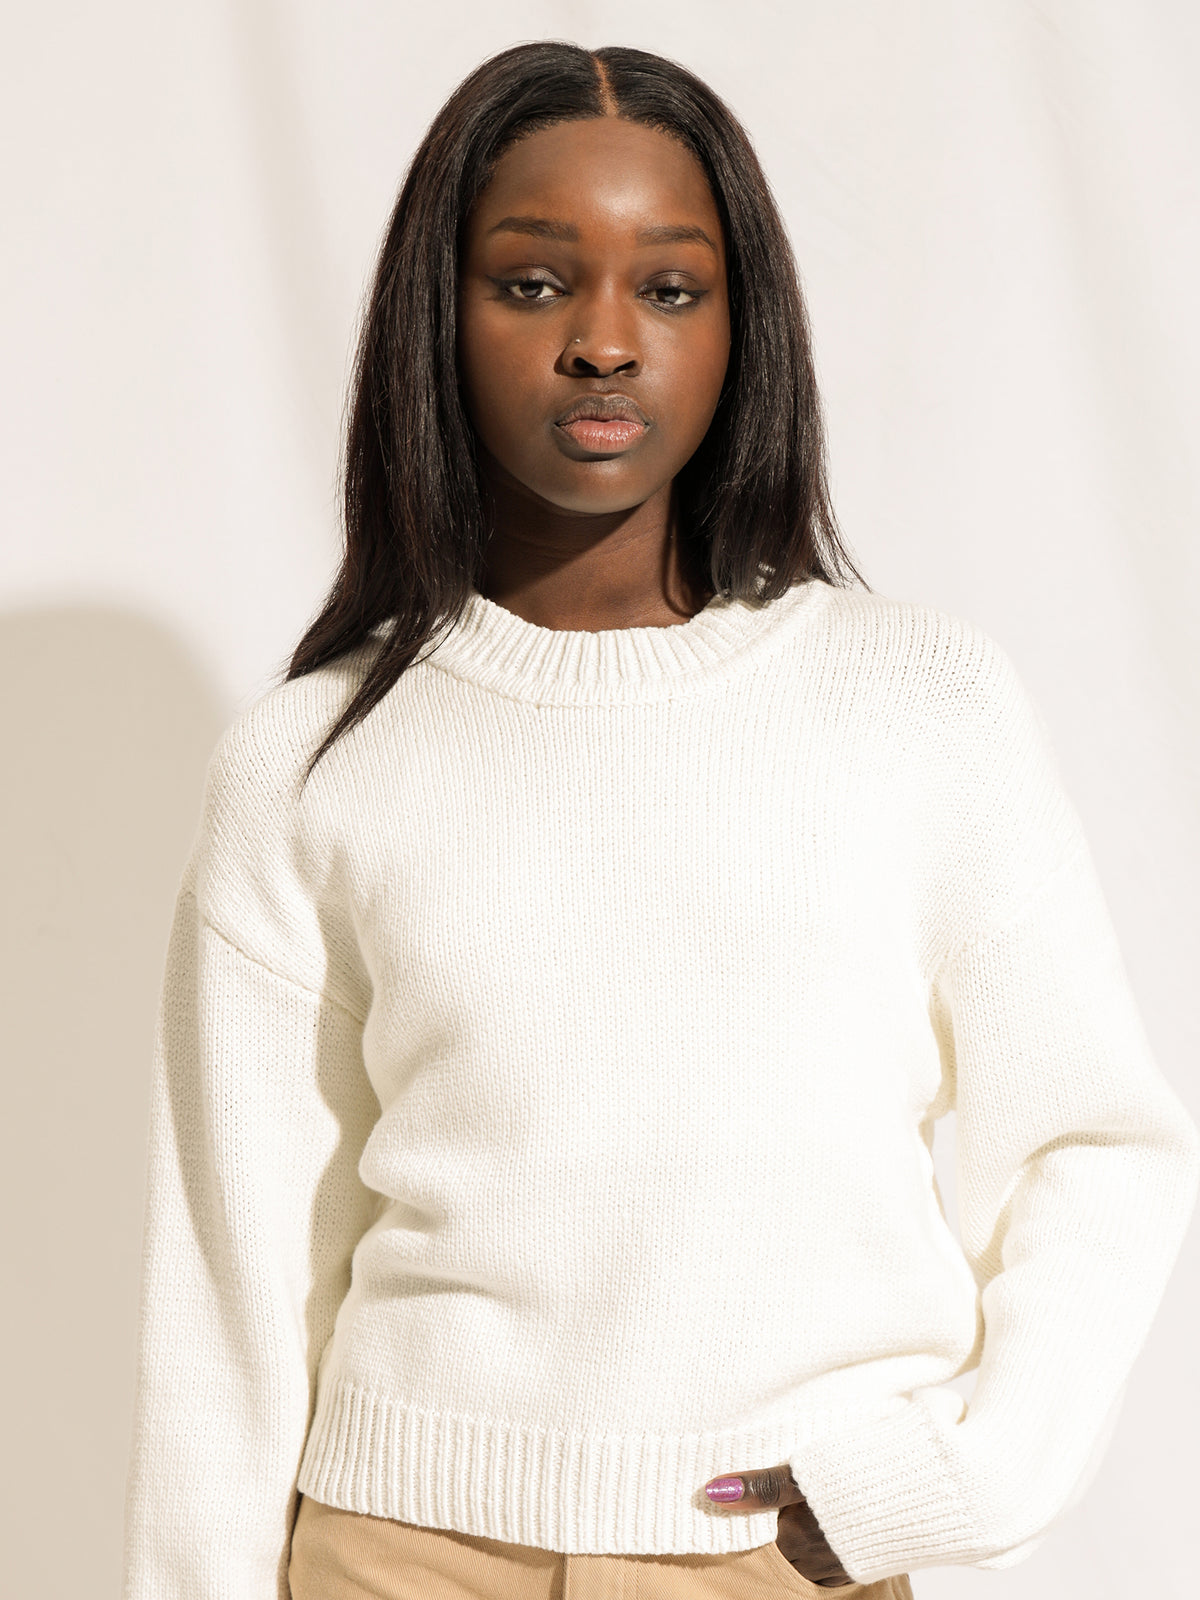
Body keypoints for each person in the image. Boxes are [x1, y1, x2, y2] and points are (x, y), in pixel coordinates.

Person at [122, 39, 1200, 1600]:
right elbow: (231, 1295)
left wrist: (959, 1476)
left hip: (779, 1557)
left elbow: (1097, 1147)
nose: (606, 343)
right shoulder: (311, 763)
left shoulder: (920, 705)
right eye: (534, 283)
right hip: (401, 1557)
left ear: (742, 326)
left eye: (672, 288)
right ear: (441, 318)